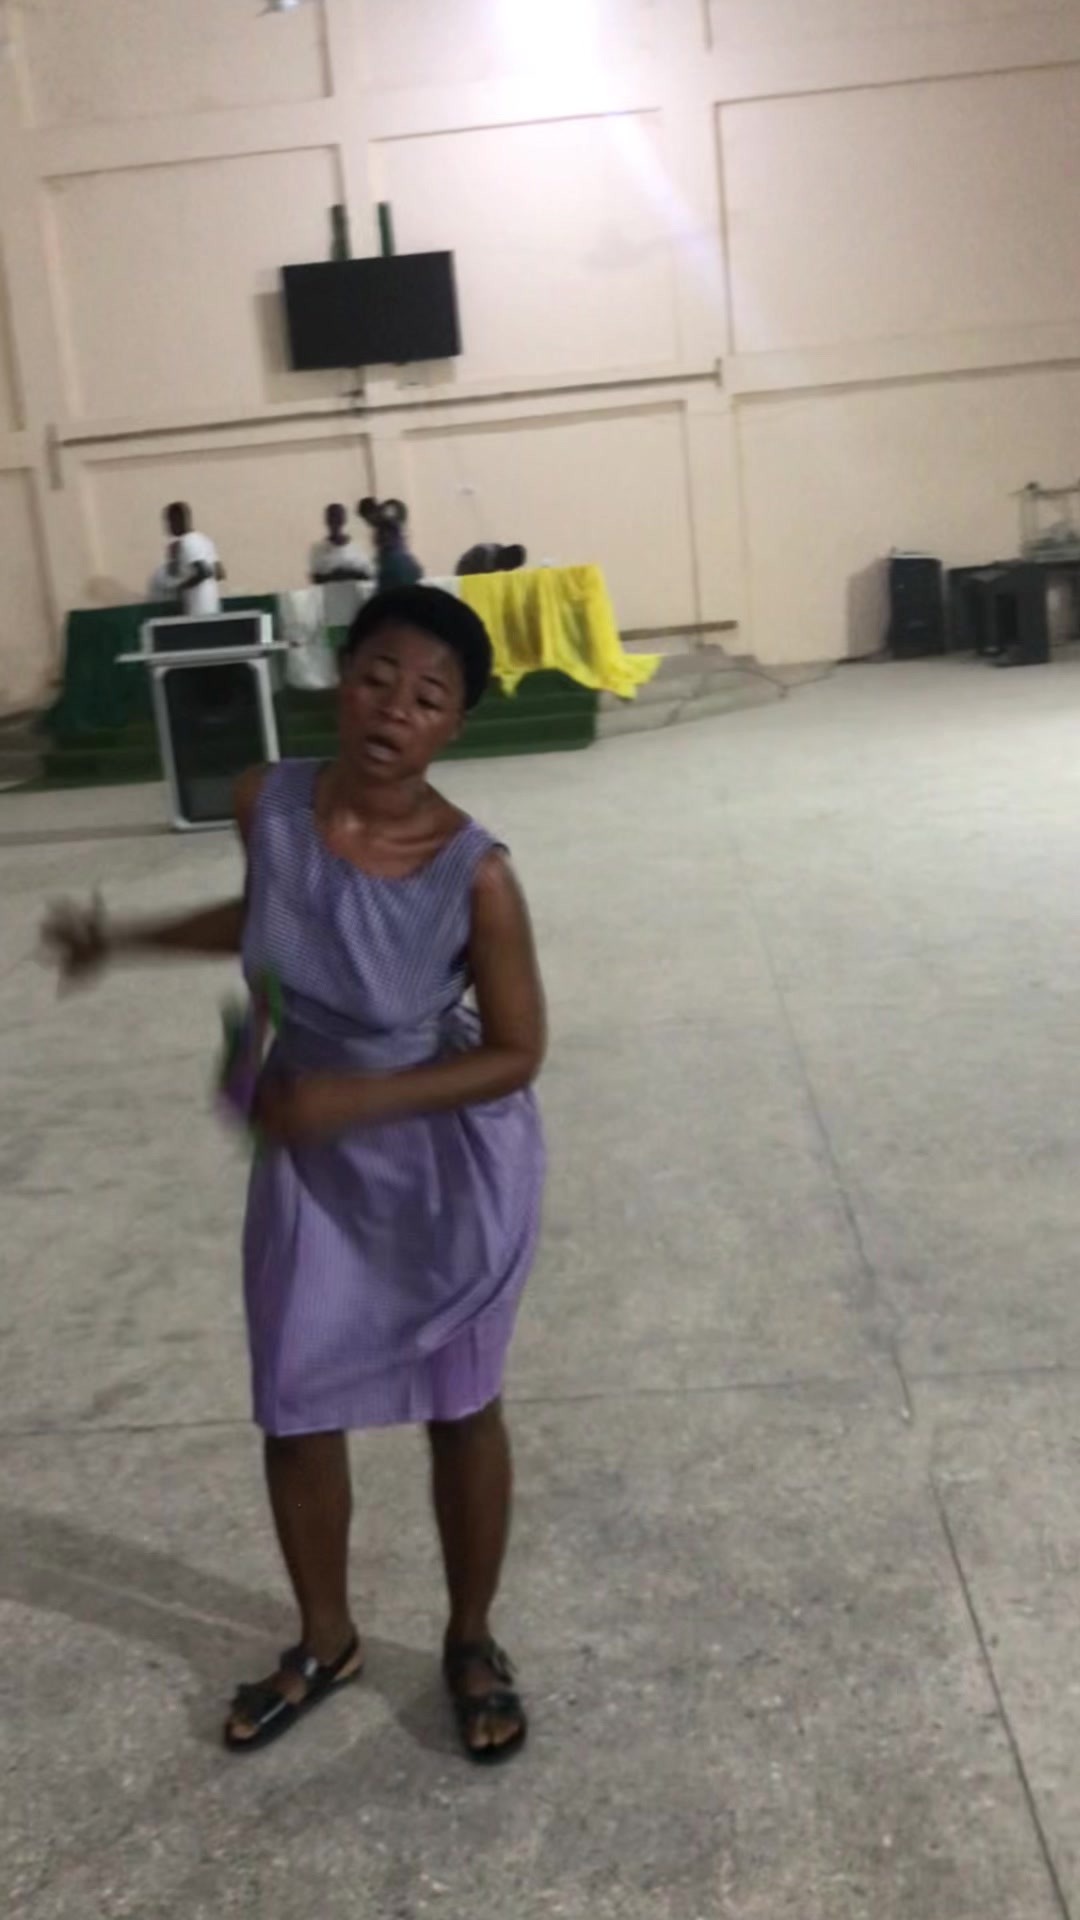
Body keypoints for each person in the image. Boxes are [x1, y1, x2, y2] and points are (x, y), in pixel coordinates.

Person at [42, 585, 546, 1766]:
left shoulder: (476, 873)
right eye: (378, 677)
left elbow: (520, 1051)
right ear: (338, 677)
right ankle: (327, 1641)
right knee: (296, 1397)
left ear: (454, 725)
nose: (395, 709)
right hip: (312, 1158)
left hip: (440, 1162)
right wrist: (122, 940)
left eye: (429, 697)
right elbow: (268, 918)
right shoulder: (264, 800)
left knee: (461, 1403)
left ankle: (472, 1639)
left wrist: (351, 1100)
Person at [149, 502, 225, 616]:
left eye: (169, 521)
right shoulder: (205, 540)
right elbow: (220, 573)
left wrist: (179, 587)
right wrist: (175, 559)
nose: (168, 527)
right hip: (213, 609)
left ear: (177, 520)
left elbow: (202, 572)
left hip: (197, 612)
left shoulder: (188, 541)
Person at [358, 496, 424, 591]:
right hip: (402, 566)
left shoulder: (386, 524)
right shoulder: (383, 527)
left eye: (366, 518)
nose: (367, 523)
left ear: (370, 513)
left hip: (396, 568)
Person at [309, 503, 371, 586]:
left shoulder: (357, 549)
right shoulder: (317, 550)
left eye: (338, 517)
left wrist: (343, 575)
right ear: (326, 520)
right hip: (329, 593)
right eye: (332, 516)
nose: (335, 520)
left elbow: (367, 576)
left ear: (344, 519)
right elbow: (316, 579)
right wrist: (342, 575)